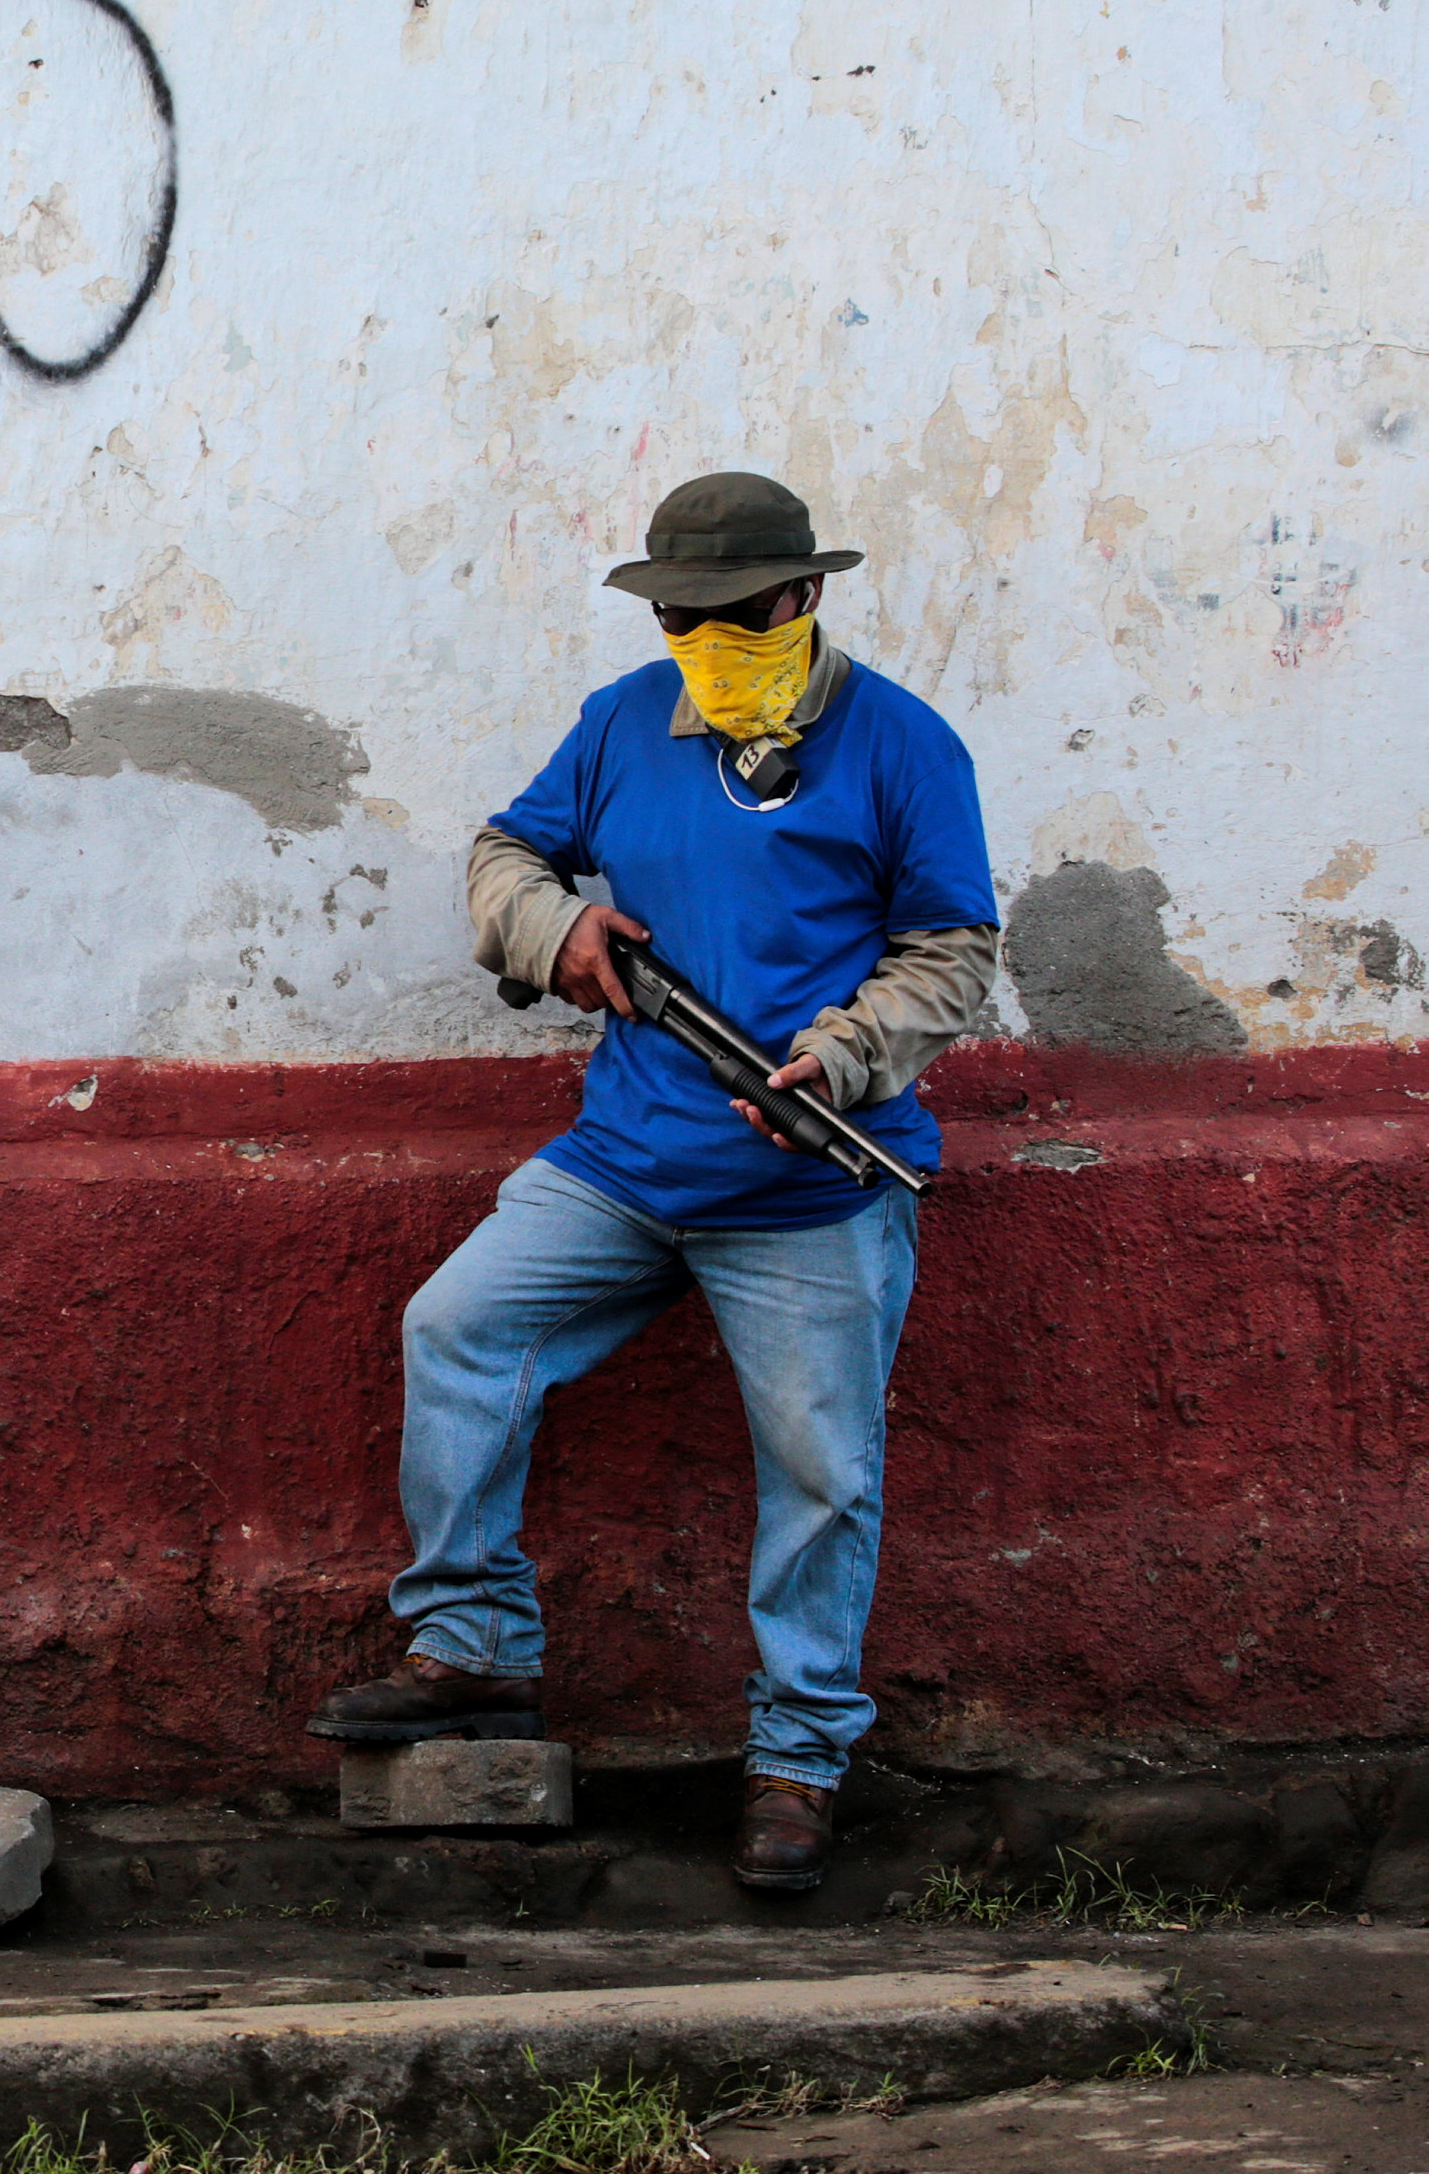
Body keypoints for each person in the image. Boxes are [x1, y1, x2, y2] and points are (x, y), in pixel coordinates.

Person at [310, 472, 997, 1892]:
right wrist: (552, 932)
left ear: (805, 597)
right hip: (621, 1163)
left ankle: (800, 1760)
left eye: (735, 613)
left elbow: (951, 953)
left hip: (811, 1191)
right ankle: (475, 1648)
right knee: (458, 1328)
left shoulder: (908, 748)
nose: (705, 635)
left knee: (821, 1476)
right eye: (681, 614)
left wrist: (848, 1055)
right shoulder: (626, 719)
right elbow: (509, 852)